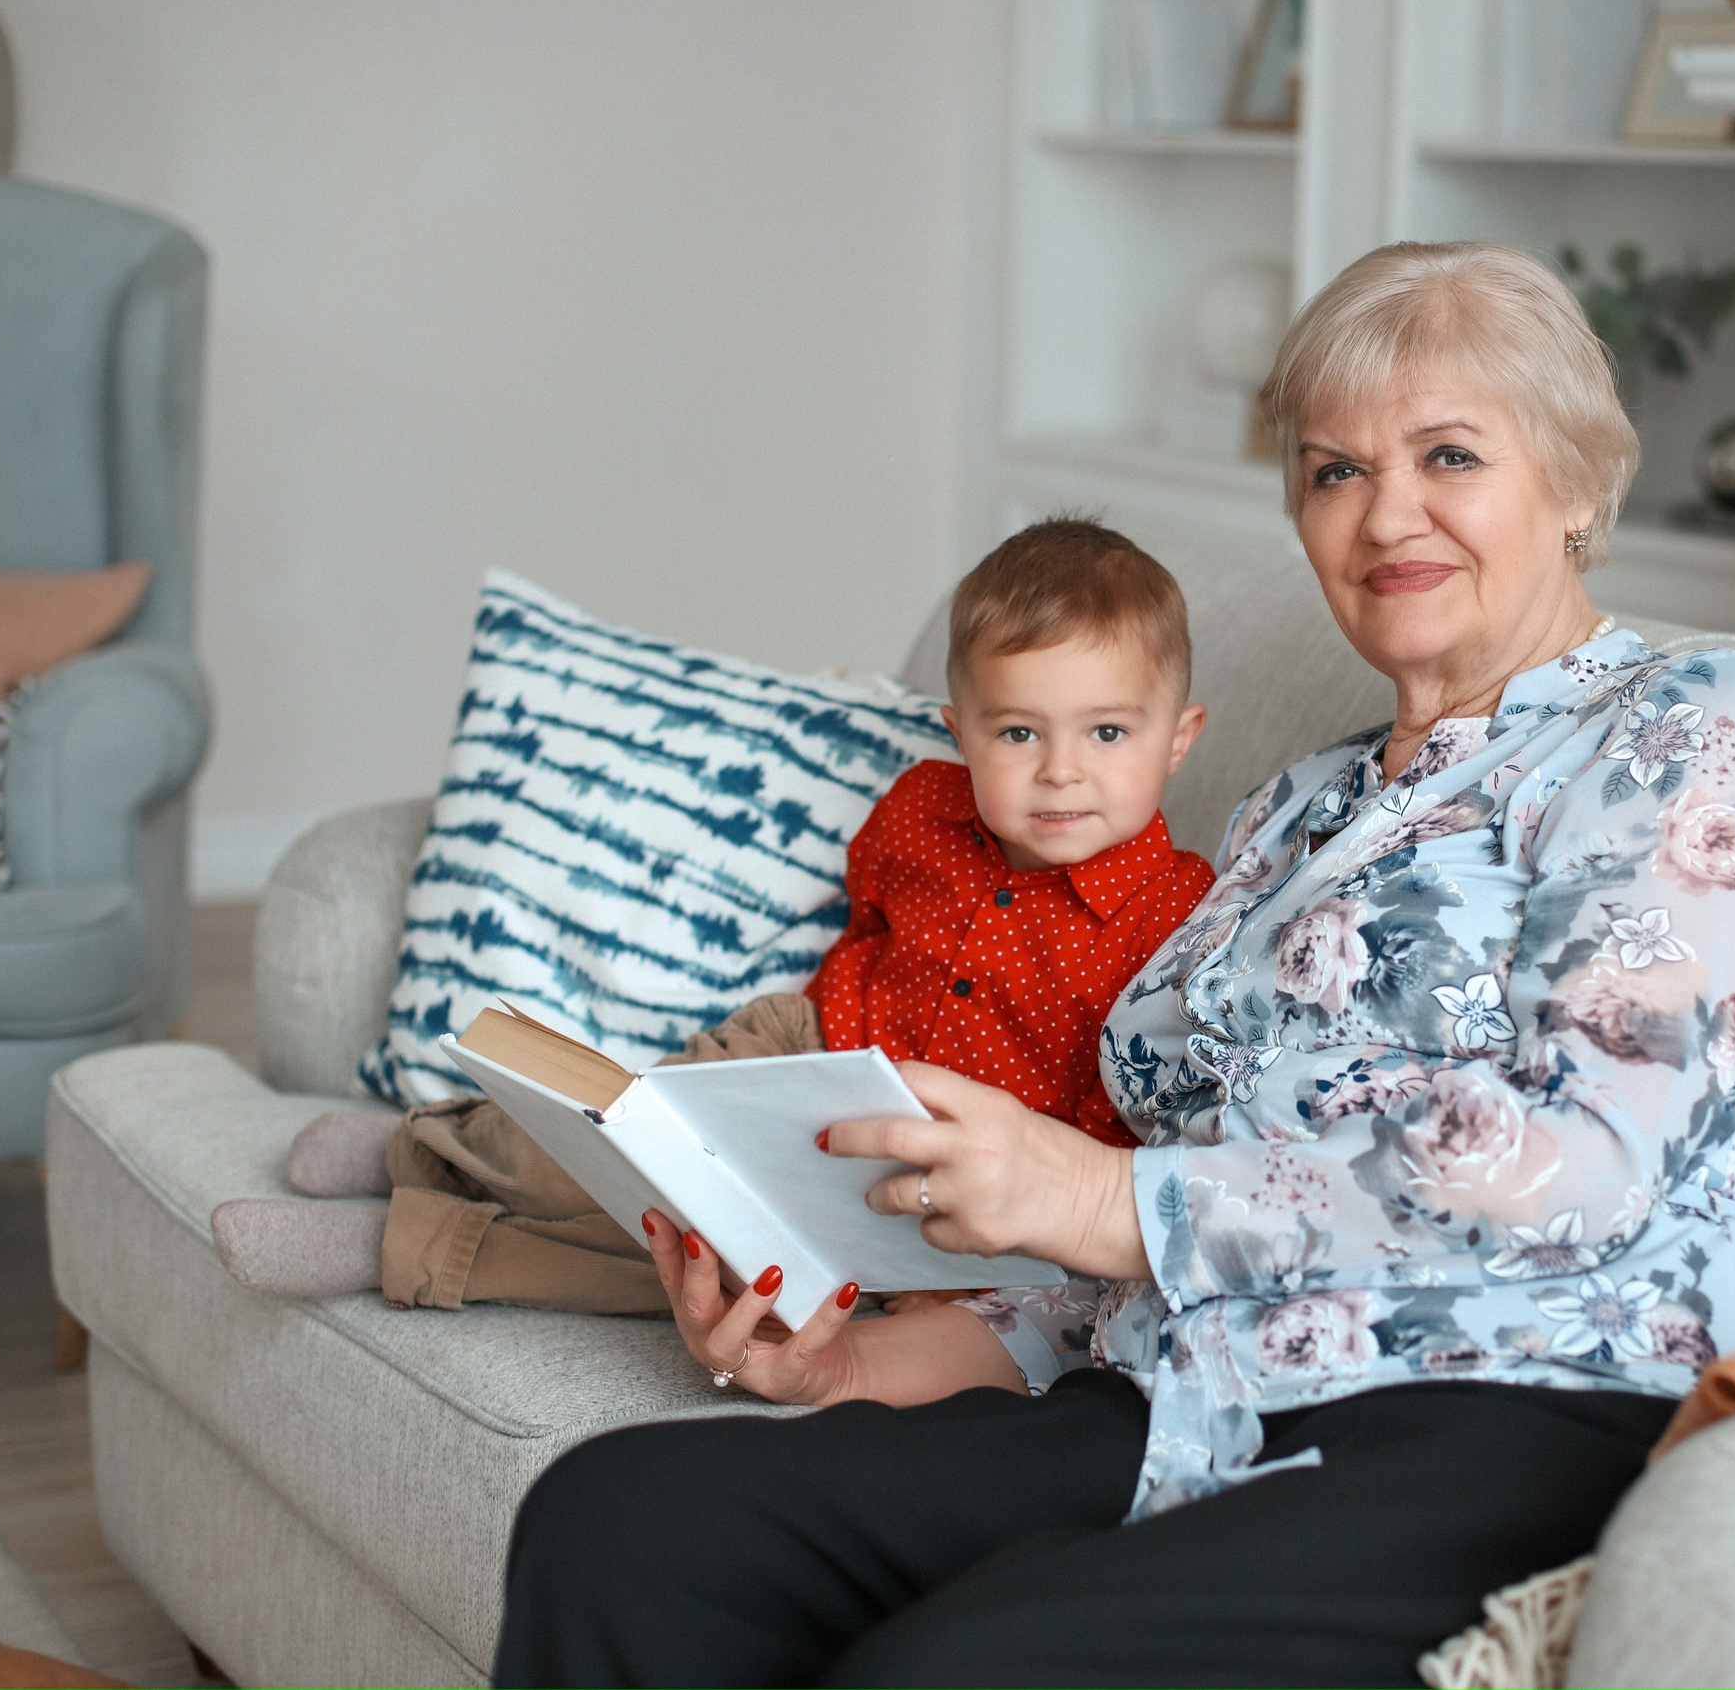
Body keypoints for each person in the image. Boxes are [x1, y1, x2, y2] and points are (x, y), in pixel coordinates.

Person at [493, 240, 1735, 1688]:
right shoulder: (1295, 811)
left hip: (1517, 1408)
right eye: (1334, 470)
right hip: (1181, 1396)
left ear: (1578, 483)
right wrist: (848, 1364)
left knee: (954, 1672)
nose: (1385, 512)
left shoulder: (1686, 725)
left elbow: (1584, 1155)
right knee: (619, 1524)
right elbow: (1130, 1239)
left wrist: (1104, 1197)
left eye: (1448, 455)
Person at [206, 519, 1216, 1317]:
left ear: (1178, 740)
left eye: (1107, 732)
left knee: (717, 1267)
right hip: (807, 1054)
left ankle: (406, 1246)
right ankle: (422, 1149)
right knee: (620, 1141)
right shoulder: (919, 808)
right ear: (961, 732)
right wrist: (797, 1048)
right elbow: (870, 916)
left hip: (953, 1178)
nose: (1061, 771)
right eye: (1020, 732)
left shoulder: (1180, 914)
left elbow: (1117, 1128)